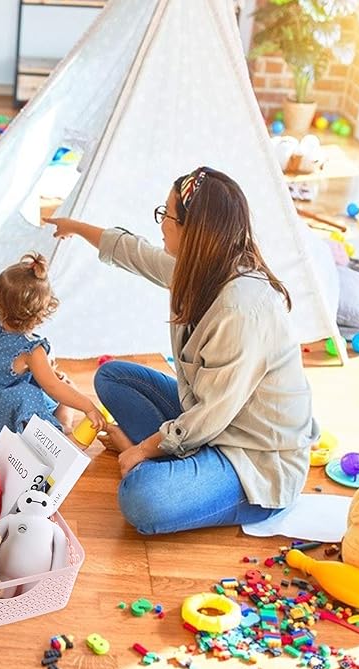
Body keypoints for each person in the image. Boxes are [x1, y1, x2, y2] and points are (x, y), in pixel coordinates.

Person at [45, 167, 319, 535]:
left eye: (167, 214)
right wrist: (75, 227)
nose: (161, 224)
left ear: (194, 232)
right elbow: (134, 252)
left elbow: (209, 416)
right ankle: (180, 461)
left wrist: (142, 450)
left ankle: (170, 465)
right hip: (213, 425)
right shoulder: (204, 267)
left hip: (254, 460)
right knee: (112, 377)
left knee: (141, 499)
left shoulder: (241, 309)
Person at [0, 252, 107, 440]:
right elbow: (52, 386)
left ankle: (61, 423)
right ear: (43, 309)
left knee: (62, 385)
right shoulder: (32, 350)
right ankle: (60, 429)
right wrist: (88, 407)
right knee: (42, 391)